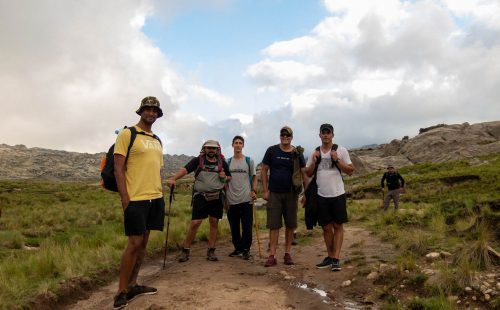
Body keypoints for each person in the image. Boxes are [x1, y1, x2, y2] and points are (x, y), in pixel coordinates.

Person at [113, 96, 165, 309]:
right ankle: (121, 291)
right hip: (136, 198)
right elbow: (118, 169)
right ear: (141, 111)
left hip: (155, 197)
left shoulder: (157, 139)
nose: (151, 113)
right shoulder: (128, 134)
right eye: (148, 109)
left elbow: (156, 168)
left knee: (143, 244)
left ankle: (134, 284)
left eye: (155, 111)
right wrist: (125, 198)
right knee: (133, 244)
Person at [167, 140, 231, 263]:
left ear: (217, 150)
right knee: (195, 223)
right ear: (204, 149)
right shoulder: (198, 161)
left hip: (217, 196)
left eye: (214, 148)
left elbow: (229, 177)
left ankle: (211, 250)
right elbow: (185, 170)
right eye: (209, 148)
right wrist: (174, 178)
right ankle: (185, 249)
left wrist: (224, 177)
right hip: (200, 196)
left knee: (214, 222)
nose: (211, 150)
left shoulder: (222, 162)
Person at [304, 123, 354, 272]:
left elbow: (351, 170)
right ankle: (331, 257)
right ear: (319, 135)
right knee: (326, 227)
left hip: (338, 194)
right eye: (323, 133)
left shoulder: (340, 150)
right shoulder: (315, 152)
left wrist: (337, 160)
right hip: (321, 195)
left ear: (332, 135)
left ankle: (336, 259)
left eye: (328, 132)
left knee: (338, 226)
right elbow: (308, 173)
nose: (326, 135)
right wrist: (314, 161)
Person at [261, 126, 306, 267]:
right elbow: (264, 169)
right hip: (274, 192)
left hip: (291, 193)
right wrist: (265, 190)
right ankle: (272, 255)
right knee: (274, 225)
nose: (285, 137)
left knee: (290, 224)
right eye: (283, 135)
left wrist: (306, 193)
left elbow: (303, 172)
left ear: (291, 137)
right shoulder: (272, 150)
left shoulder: (297, 152)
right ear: (280, 136)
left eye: (288, 135)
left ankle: (287, 254)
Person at [225, 135, 257, 260]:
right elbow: (225, 181)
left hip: (246, 199)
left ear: (243, 145)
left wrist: (254, 190)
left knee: (247, 227)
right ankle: (237, 248)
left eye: (240, 143)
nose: (238, 145)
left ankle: (246, 249)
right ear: (232, 145)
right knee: (234, 227)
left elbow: (254, 177)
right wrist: (225, 199)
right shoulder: (227, 162)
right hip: (231, 199)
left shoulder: (249, 161)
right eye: (236, 143)